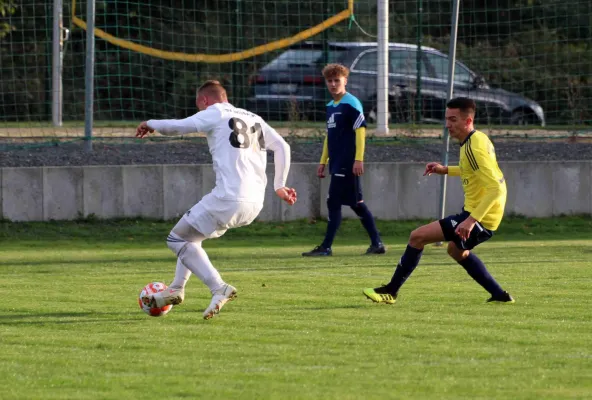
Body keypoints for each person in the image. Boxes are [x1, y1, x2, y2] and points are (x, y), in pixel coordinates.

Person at [136, 80, 297, 320]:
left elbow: (179, 127)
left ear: (204, 101)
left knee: (176, 238)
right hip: (254, 202)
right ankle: (176, 289)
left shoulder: (215, 112)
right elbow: (282, 146)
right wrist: (280, 185)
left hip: (229, 197)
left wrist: (150, 124)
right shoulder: (254, 117)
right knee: (192, 238)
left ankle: (218, 288)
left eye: (198, 106)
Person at [363, 97, 515, 304]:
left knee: (417, 236)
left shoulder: (474, 147)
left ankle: (391, 290)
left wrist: (471, 220)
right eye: (446, 119)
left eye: (453, 120)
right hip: (483, 214)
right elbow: (475, 171)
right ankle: (499, 295)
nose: (448, 125)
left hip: (480, 216)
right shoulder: (476, 139)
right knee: (456, 251)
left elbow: (495, 187)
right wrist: (446, 170)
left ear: (468, 121)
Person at [302, 63, 385, 257]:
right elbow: (329, 137)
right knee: (356, 204)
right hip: (337, 162)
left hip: (348, 162)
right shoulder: (331, 106)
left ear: (345, 81)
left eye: (336, 80)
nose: (332, 84)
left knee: (334, 202)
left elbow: (360, 132)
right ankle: (377, 243)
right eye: (329, 81)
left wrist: (358, 159)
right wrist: (323, 162)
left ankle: (326, 247)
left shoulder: (352, 103)